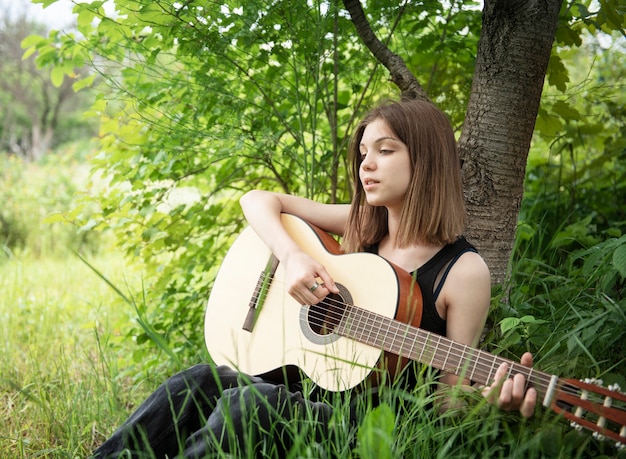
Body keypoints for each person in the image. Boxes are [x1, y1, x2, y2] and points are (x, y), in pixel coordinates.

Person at [91, 99, 536, 458]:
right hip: (301, 389)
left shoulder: (463, 271)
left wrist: (491, 404)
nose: (367, 165)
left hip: (367, 428)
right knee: (196, 382)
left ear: (426, 159)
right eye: (363, 153)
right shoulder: (363, 224)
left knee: (249, 403)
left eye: (385, 150)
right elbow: (259, 200)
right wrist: (293, 258)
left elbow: (447, 403)